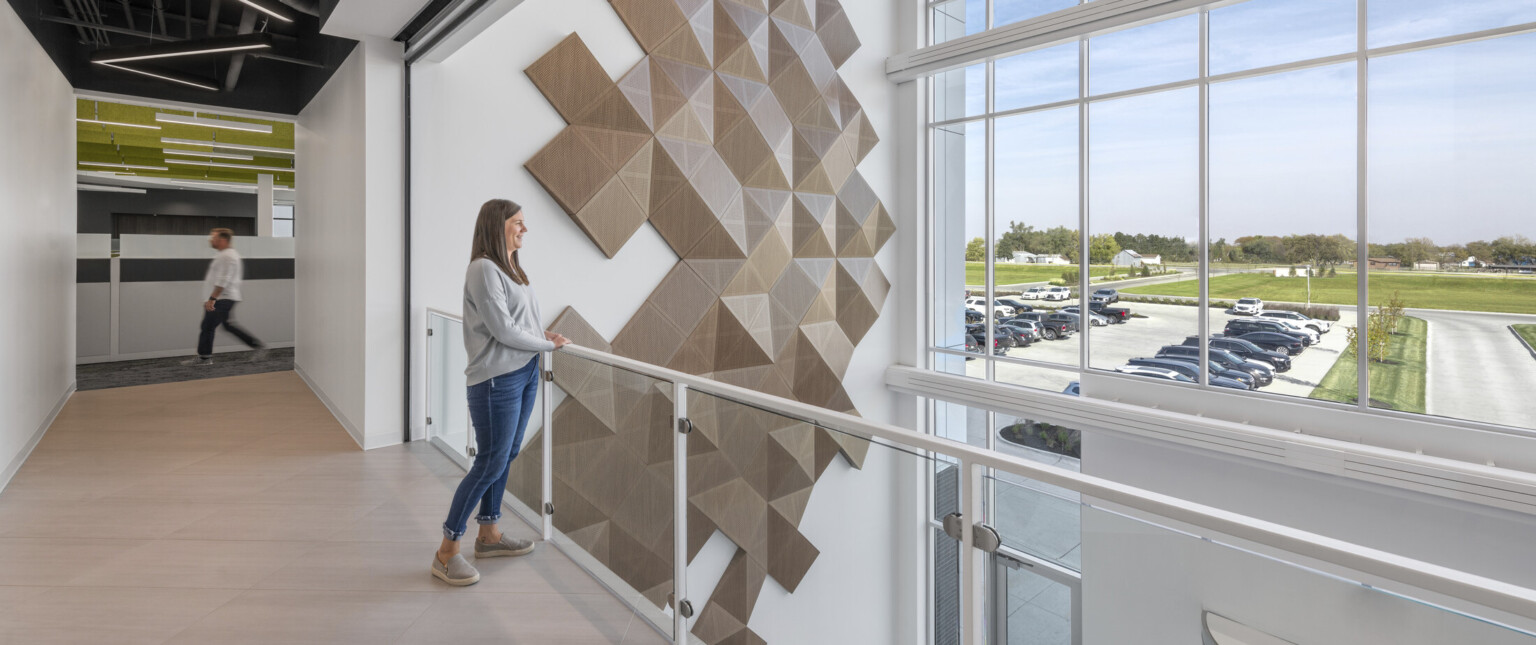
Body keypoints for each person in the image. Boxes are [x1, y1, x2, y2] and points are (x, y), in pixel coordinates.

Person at [433, 199, 570, 586]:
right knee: (489, 462)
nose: (525, 230)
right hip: (496, 380)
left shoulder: (512, 269)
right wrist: (550, 347)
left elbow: (519, 323)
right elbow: (503, 331)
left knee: (506, 454)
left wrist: (545, 336)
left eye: (525, 224)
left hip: (523, 372)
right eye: (518, 223)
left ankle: (489, 534)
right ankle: (446, 551)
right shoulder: (482, 269)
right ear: (498, 225)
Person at [181, 228, 266, 366]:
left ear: (223, 240)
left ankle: (204, 358)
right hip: (224, 297)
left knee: (207, 326)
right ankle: (258, 346)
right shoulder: (224, 255)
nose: (211, 240)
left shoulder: (227, 256)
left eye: (213, 238)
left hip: (223, 298)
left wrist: (212, 299)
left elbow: (223, 280)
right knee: (227, 326)